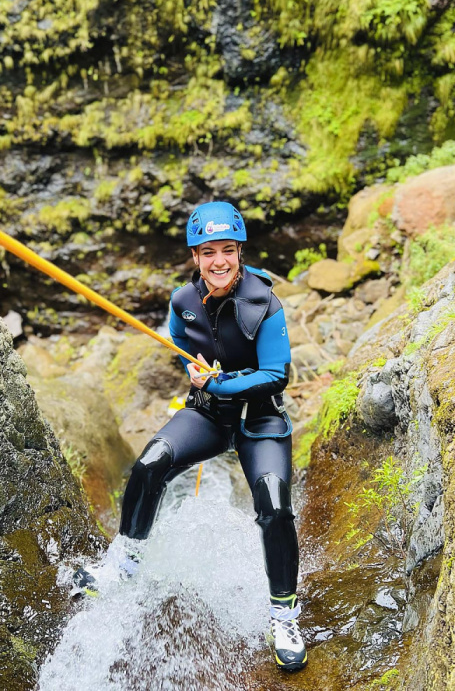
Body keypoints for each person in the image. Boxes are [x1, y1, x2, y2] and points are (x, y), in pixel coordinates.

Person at [75, 201, 307, 672]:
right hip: (206, 415)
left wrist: (218, 382)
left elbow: (276, 375)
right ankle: (125, 560)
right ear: (195, 256)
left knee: (275, 503)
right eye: (207, 252)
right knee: (150, 463)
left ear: (239, 251)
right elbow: (182, 342)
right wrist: (194, 371)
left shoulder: (265, 303)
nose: (218, 261)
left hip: (259, 421)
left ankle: (283, 612)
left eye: (227, 250)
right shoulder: (181, 300)